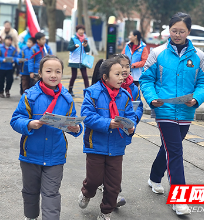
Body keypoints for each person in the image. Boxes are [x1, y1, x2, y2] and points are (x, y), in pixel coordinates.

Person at [139, 12, 204, 216]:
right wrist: (152, 98)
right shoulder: (157, 53)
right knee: (175, 151)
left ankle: (154, 177)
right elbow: (146, 80)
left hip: (186, 110)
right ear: (169, 30)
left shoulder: (199, 56)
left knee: (169, 148)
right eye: (173, 30)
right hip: (164, 109)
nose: (177, 34)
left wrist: (197, 99)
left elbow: (202, 82)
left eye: (181, 31)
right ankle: (180, 200)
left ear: (188, 32)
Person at [10, 54, 83, 220]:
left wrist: (76, 128)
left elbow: (74, 122)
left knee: (51, 193)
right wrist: (29, 124)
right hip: (30, 155)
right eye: (49, 71)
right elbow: (15, 120)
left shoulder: (67, 98)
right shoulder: (30, 96)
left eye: (58, 71)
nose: (53, 75)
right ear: (40, 73)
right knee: (30, 191)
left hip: (55, 155)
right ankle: (31, 216)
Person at [78, 58, 137, 220]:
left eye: (122, 74)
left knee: (113, 185)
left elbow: (131, 116)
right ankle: (87, 192)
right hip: (95, 145)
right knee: (94, 180)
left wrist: (131, 127)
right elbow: (87, 116)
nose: (121, 77)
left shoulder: (125, 96)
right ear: (105, 77)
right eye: (117, 74)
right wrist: (107, 123)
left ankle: (106, 212)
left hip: (117, 146)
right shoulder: (93, 92)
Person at [68, 24, 90, 96]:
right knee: (74, 76)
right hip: (74, 60)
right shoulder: (73, 38)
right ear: (77, 31)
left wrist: (86, 46)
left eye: (82, 30)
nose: (81, 31)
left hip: (83, 60)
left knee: (85, 76)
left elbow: (88, 50)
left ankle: (87, 91)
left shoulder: (85, 39)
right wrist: (74, 46)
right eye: (80, 30)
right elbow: (69, 48)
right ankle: (70, 90)